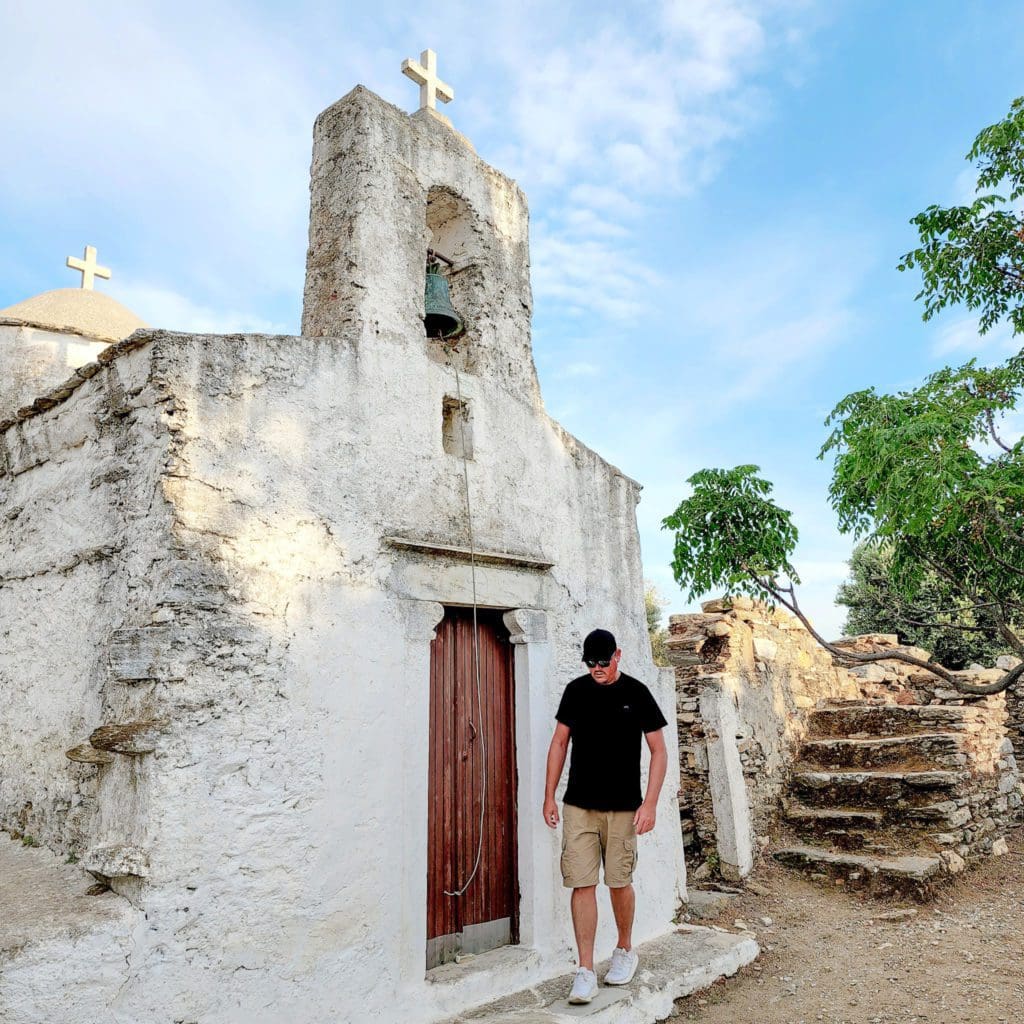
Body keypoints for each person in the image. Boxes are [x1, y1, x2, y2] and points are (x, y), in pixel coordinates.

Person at [543, 628, 668, 1005]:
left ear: (617, 655)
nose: (596, 668)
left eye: (602, 661)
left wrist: (650, 804)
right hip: (579, 805)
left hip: (624, 809)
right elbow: (559, 742)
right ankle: (584, 970)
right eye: (590, 662)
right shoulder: (575, 692)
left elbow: (659, 752)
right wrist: (548, 796)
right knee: (581, 883)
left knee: (618, 882)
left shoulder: (637, 693)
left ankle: (625, 949)